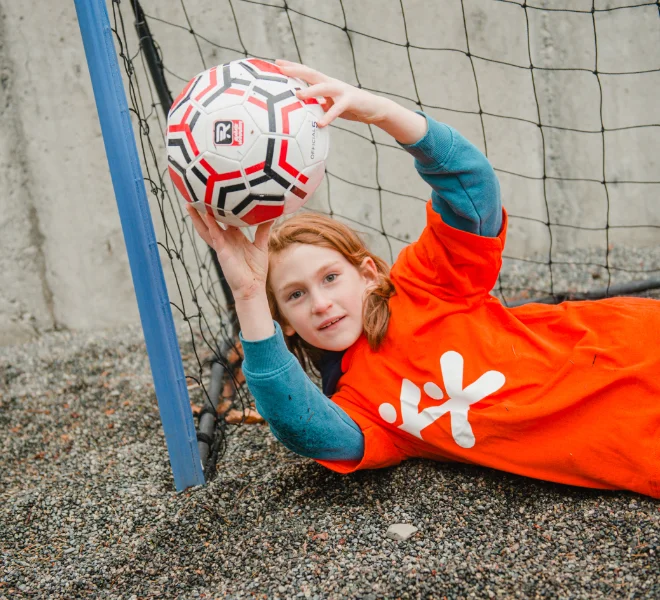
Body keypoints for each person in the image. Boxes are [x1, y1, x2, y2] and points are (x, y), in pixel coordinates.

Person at [187, 59, 660, 499]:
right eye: (295, 295)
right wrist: (250, 293)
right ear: (284, 322)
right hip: (634, 440)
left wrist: (382, 112)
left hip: (629, 346)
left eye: (331, 277)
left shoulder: (425, 286)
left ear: (369, 273)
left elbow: (472, 188)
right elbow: (301, 427)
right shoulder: (357, 406)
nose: (321, 302)